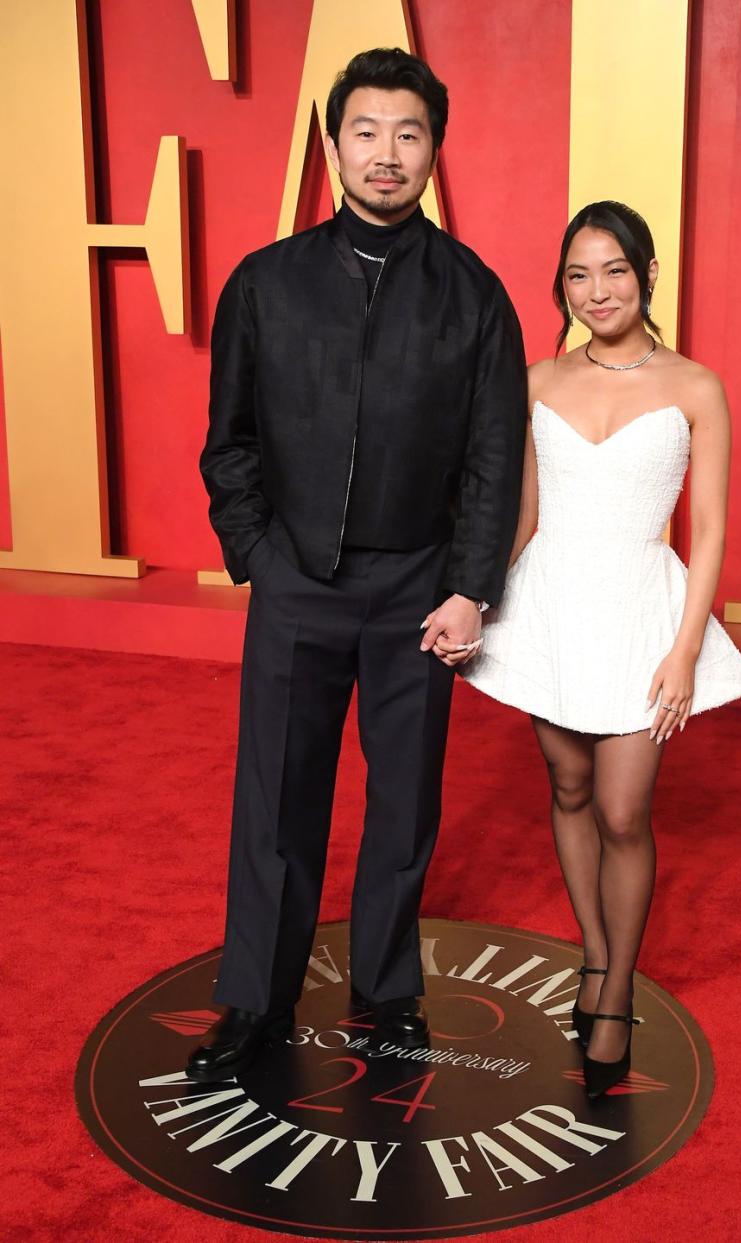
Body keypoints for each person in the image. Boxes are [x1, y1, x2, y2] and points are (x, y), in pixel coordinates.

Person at [189, 47, 527, 1082]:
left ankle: (387, 995)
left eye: (409, 134)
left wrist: (469, 587)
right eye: (367, 132)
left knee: (404, 804)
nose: (387, 154)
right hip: (296, 584)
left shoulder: (475, 296)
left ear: (435, 151)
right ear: (334, 143)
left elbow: (492, 456)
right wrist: (259, 556)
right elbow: (230, 441)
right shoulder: (267, 282)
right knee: (276, 802)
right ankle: (254, 1001)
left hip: (418, 591)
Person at [461, 201, 741, 1098]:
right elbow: (517, 517)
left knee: (625, 812)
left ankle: (617, 987)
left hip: (641, 607)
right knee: (569, 786)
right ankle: (593, 955)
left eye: (615, 271)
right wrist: (479, 607)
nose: (596, 291)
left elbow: (705, 532)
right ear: (562, 285)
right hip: (551, 604)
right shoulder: (536, 380)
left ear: (648, 274)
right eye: (578, 275)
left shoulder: (695, 386)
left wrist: (683, 651)